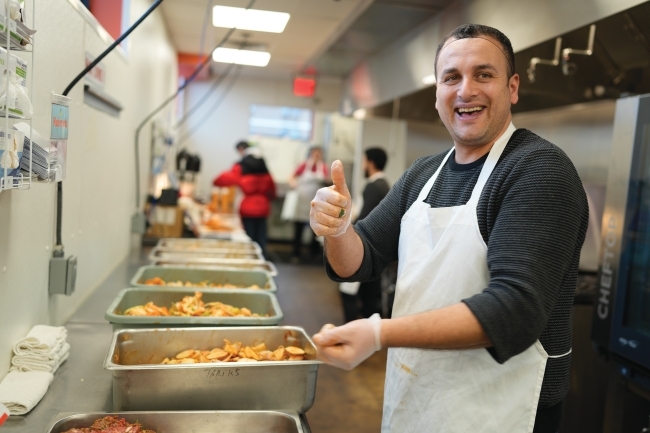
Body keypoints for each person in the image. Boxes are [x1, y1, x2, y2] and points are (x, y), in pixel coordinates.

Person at [309, 23, 589, 433]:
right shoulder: (424, 173)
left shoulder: (539, 170)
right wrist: (337, 229)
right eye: (451, 77)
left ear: (512, 88)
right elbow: (360, 259)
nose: (466, 90)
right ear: (438, 94)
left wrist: (378, 332)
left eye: (484, 74)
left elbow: (514, 310)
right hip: (419, 400)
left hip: (504, 413)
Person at [340, 147, 390, 322]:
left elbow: (364, 220)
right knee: (369, 295)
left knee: (349, 292)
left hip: (365, 249)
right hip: (378, 250)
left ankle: (351, 332)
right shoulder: (384, 184)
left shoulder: (373, 186)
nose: (363, 165)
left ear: (370, 163)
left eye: (364, 161)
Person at [213, 141, 275, 255]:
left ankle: (251, 261)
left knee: (248, 238)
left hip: (247, 207)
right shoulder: (264, 167)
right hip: (263, 207)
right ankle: (262, 259)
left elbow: (221, 180)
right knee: (261, 238)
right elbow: (272, 190)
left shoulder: (240, 167)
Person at [288, 146, 328, 263]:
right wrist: (294, 184)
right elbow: (291, 177)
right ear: (310, 154)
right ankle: (296, 254)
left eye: (318, 153)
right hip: (302, 202)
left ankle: (314, 254)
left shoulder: (323, 167)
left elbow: (328, 180)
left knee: (315, 229)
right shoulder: (304, 165)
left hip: (316, 203)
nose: (316, 155)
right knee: (298, 228)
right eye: (314, 153)